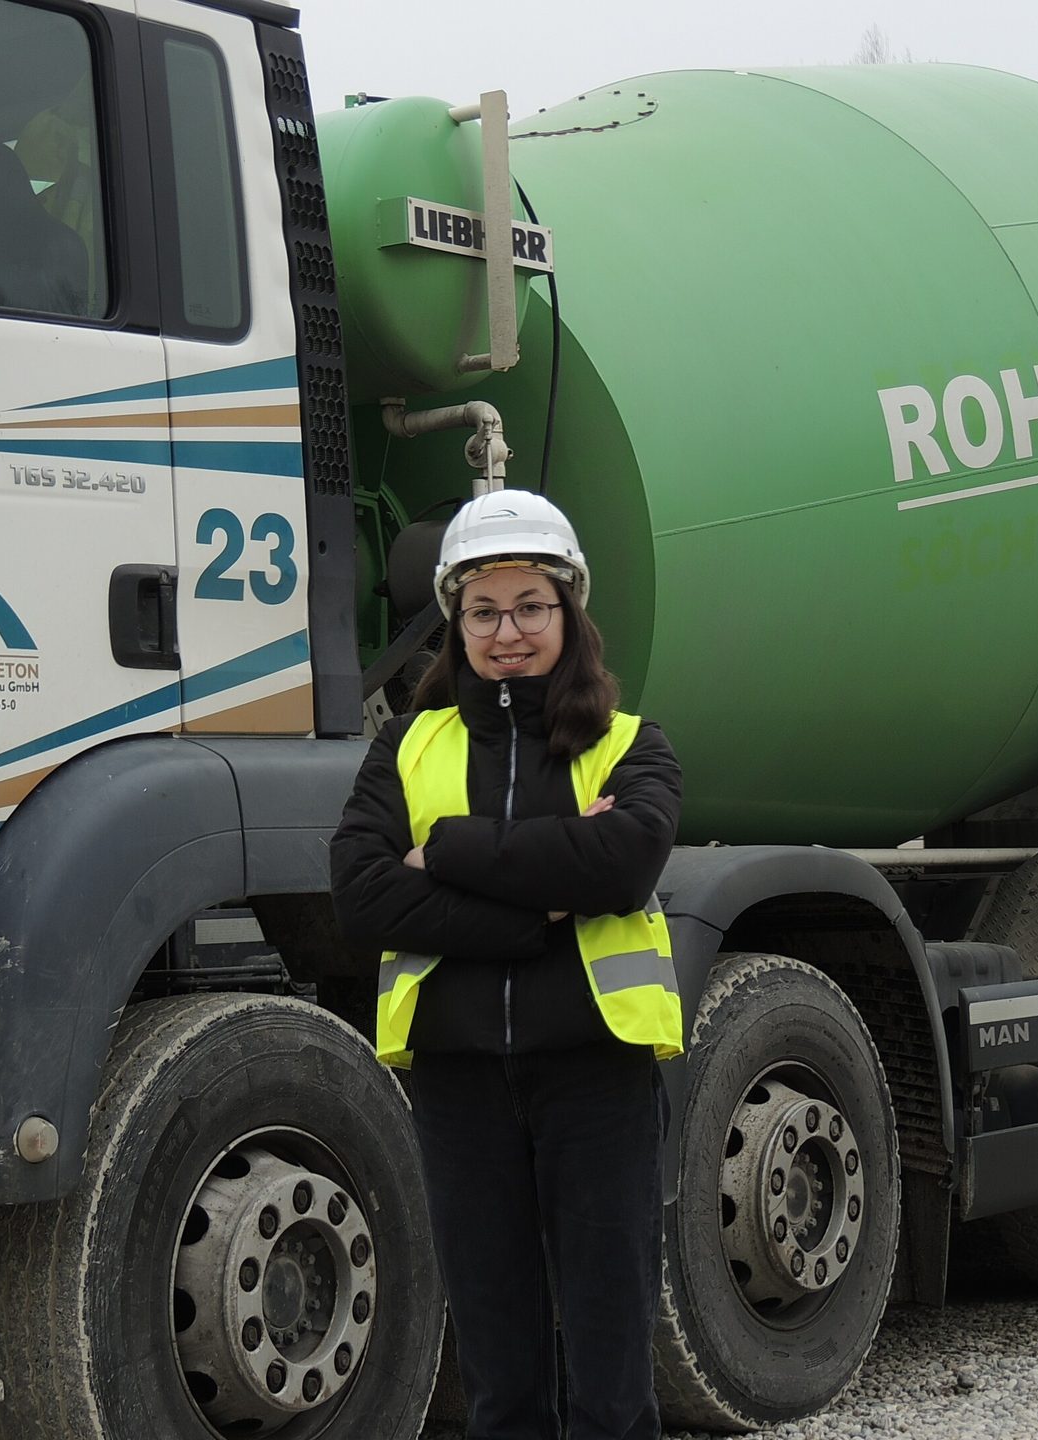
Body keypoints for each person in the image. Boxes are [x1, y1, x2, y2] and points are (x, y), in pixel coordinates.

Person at [331, 489, 683, 1440]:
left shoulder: (628, 744)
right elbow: (362, 894)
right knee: (501, 1382)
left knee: (611, 1384)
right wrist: (540, 911)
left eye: (531, 606)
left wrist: (437, 850)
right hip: (461, 1089)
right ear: (456, 624)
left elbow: (624, 862)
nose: (508, 633)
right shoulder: (406, 745)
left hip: (596, 1079)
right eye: (483, 612)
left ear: (570, 612)